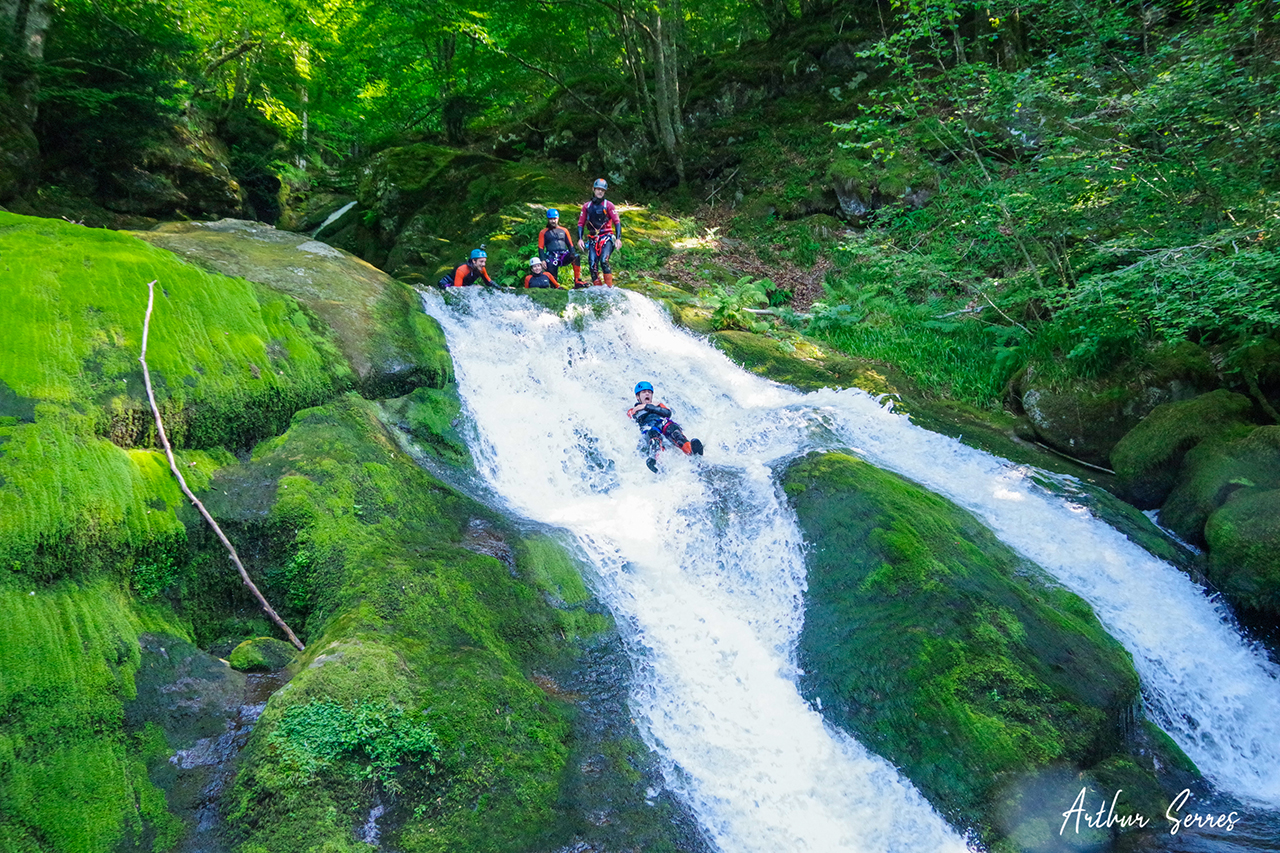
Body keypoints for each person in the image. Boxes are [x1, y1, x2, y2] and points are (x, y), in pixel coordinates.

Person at [627, 381, 703, 472]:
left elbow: (667, 413)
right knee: (653, 435)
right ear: (637, 397)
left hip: (662, 423)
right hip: (649, 427)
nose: (647, 393)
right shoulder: (633, 410)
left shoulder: (658, 405)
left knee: (672, 429)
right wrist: (643, 408)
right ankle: (657, 461)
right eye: (644, 392)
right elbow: (633, 418)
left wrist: (647, 406)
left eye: (649, 392)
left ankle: (690, 450)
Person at [577, 179, 621, 287]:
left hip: (607, 237)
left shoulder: (609, 205)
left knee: (604, 261)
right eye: (598, 189)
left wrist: (619, 238)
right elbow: (581, 223)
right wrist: (580, 239)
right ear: (593, 190)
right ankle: (598, 288)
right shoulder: (587, 206)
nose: (600, 192)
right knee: (592, 265)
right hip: (593, 238)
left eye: (602, 190)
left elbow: (617, 221)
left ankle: (609, 287)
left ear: (605, 192)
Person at [538, 209, 581, 286]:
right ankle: (555, 285)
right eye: (551, 219)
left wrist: (572, 254)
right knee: (550, 265)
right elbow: (540, 247)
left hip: (563, 255)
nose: (553, 221)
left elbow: (570, 245)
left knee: (576, 257)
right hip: (551, 256)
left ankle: (577, 281)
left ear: (558, 219)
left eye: (554, 219)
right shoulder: (543, 232)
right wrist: (542, 260)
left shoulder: (564, 230)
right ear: (548, 219)